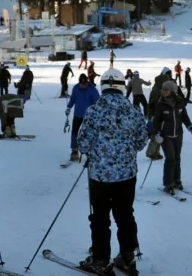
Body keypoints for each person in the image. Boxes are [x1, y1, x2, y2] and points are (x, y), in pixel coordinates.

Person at [76, 68, 148, 274]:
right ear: (121, 86)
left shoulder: (94, 111)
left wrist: (96, 150)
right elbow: (142, 141)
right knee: (125, 214)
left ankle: (100, 259)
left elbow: (83, 144)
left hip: (100, 176)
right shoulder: (134, 111)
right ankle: (127, 256)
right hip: (126, 175)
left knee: (100, 218)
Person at [151, 81, 192, 193]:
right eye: (163, 89)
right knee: (170, 159)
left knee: (177, 158)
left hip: (178, 134)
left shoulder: (180, 102)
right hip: (165, 135)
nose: (163, 91)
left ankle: (177, 180)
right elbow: (156, 121)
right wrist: (156, 134)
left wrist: (190, 126)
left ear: (172, 91)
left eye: (166, 90)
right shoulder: (160, 104)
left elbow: (184, 116)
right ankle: (168, 183)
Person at [65, 73, 100, 162]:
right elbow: (72, 99)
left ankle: (89, 151)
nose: (83, 86)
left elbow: (98, 103)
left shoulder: (92, 90)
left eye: (85, 84)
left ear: (87, 82)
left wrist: (98, 112)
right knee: (74, 133)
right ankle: (74, 151)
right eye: (81, 84)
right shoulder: (76, 88)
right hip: (78, 115)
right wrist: (69, 107)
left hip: (89, 117)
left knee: (89, 134)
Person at [145, 67, 174, 160]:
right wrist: (152, 115)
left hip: (161, 114)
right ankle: (151, 152)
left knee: (160, 133)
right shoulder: (156, 90)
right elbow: (152, 104)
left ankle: (155, 152)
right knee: (156, 134)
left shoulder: (162, 89)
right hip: (156, 115)